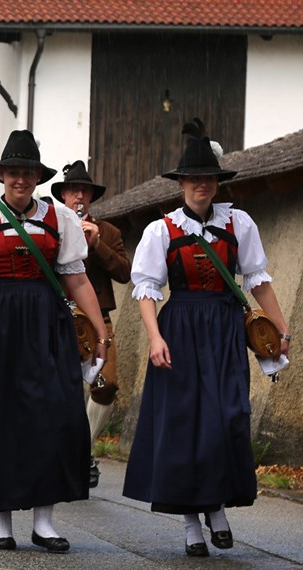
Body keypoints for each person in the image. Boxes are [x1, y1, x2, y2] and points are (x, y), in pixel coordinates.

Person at [122, 121, 289, 557]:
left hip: (225, 328)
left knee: (229, 417)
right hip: (179, 330)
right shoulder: (161, 231)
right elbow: (146, 291)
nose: (201, 185)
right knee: (185, 427)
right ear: (182, 185)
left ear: (217, 182)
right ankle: (194, 523)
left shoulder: (240, 223)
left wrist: (280, 328)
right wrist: (155, 338)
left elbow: (258, 281)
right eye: (194, 179)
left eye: (208, 179)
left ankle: (216, 507)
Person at [0, 130, 107, 552]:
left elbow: (77, 278)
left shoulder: (60, 219)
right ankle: (2, 523)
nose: (20, 179)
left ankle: (44, 521)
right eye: (13, 172)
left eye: (27, 173)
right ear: (2, 175)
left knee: (55, 414)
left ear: (37, 177)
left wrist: (100, 331)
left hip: (46, 321)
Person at [51, 160, 132, 487]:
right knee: (59, 389)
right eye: (73, 190)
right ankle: (63, 450)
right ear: (64, 196)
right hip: (59, 316)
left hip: (98, 318)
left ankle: (84, 446)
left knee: (106, 384)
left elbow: (125, 274)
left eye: (84, 191)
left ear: (91, 197)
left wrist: (96, 244)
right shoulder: (50, 227)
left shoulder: (108, 231)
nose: (79, 196)